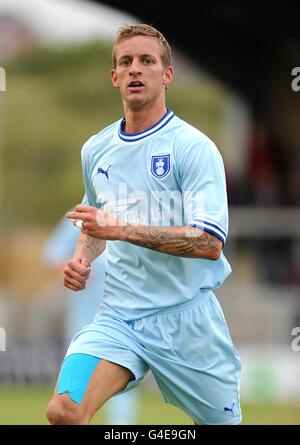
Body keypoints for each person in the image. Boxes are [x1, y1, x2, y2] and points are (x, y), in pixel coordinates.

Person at [46, 24, 242, 425]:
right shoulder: (96, 150)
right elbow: (93, 218)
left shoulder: (193, 148)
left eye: (147, 61)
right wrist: (83, 257)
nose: (136, 69)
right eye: (126, 62)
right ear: (114, 76)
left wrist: (118, 229)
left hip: (189, 321)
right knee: (65, 411)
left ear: (166, 74)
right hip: (119, 317)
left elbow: (209, 242)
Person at [43, 209, 139, 424]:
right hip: (85, 317)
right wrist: (75, 269)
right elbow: (52, 252)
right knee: (69, 400)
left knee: (124, 377)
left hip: (128, 319)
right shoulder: (86, 213)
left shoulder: (139, 212)